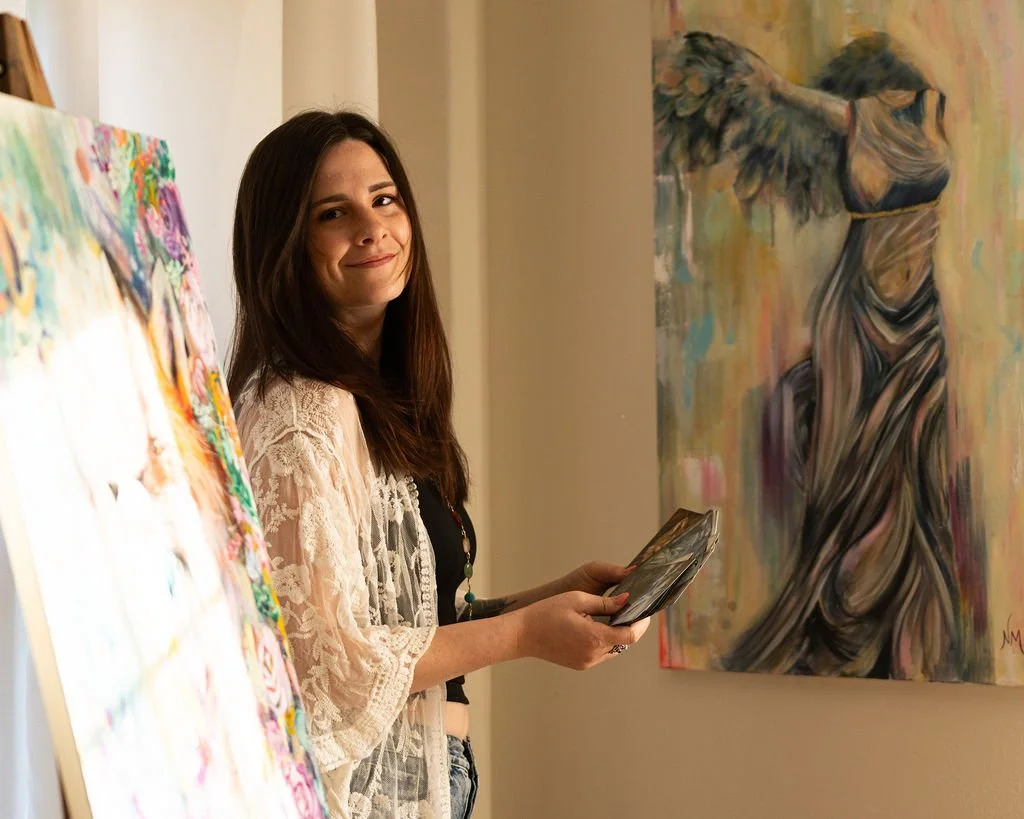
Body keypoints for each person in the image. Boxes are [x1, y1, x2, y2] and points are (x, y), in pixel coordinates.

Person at [226, 110, 650, 819]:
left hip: (430, 775)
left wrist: (547, 601)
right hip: (371, 794)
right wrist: (523, 634)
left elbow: (411, 619)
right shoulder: (300, 415)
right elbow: (325, 667)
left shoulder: (377, 399)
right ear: (286, 246)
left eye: (384, 199)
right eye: (335, 213)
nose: (371, 227)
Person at [654, 32, 985, 681]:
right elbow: (816, 107)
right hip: (859, 317)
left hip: (918, 320)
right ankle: (846, 616)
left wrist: (773, 86)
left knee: (915, 468)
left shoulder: (915, 114)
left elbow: (819, 105)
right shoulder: (872, 124)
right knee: (856, 470)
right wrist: (767, 87)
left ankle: (907, 627)